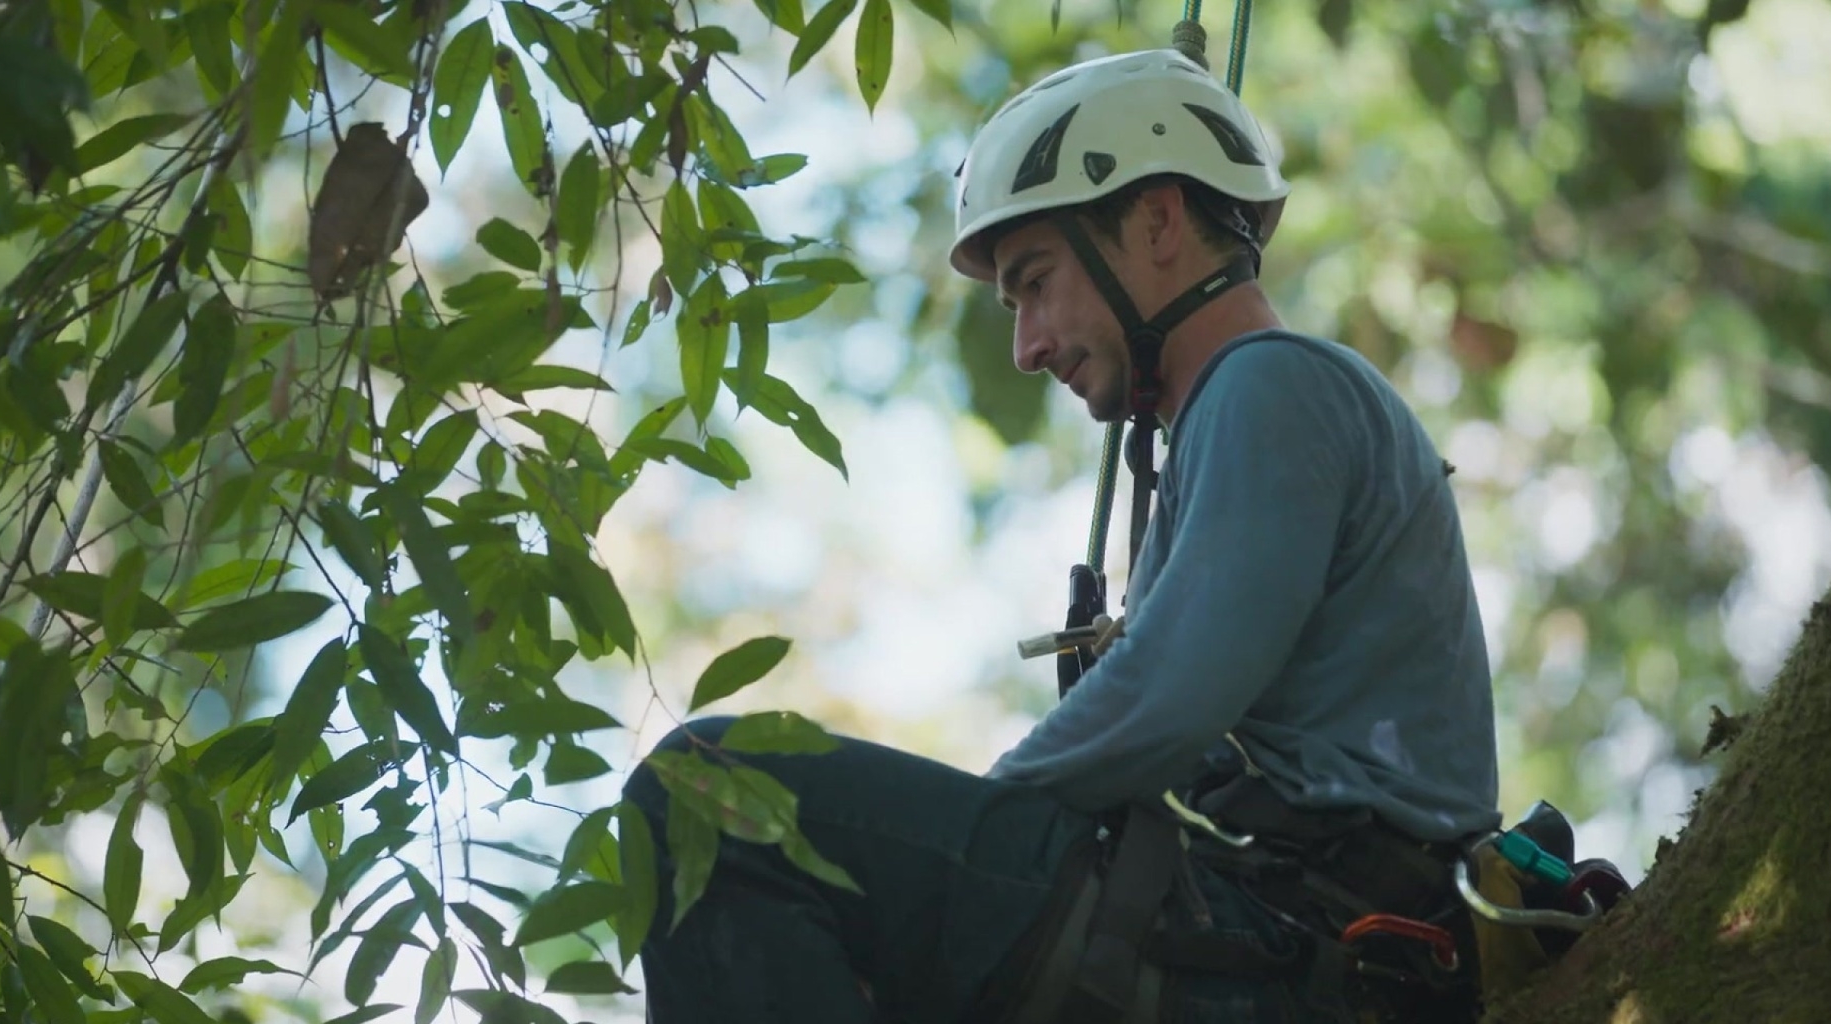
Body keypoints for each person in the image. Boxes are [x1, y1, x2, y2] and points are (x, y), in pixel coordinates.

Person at [623, 45, 1502, 1024]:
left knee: (701, 787)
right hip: (1273, 938)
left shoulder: (1271, 385)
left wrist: (972, 830)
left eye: (1034, 283)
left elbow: (1169, 698)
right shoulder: (1244, 420)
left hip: (1286, 950)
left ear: (1157, 218)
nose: (1027, 344)